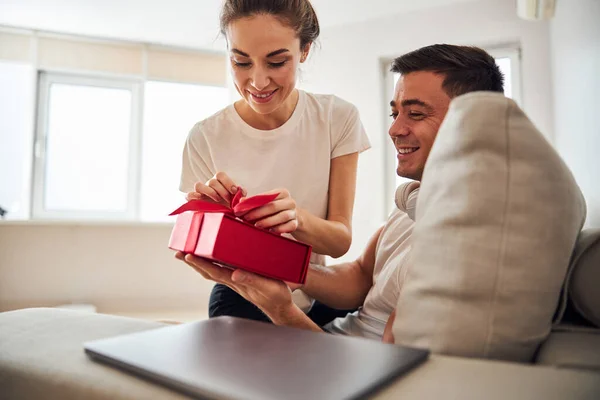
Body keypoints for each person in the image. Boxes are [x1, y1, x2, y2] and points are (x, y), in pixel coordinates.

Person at [178, 44, 504, 340]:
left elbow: (389, 365)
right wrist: (274, 264)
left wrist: (281, 310)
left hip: (339, 357)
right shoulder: (415, 204)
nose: (394, 129)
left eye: (415, 113)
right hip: (332, 330)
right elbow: (360, 277)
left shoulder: (461, 238)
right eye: (396, 113)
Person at [180, 0, 371, 323]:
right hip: (242, 296)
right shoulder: (205, 136)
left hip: (319, 290)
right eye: (241, 62)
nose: (257, 82)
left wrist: (295, 218)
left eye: (277, 62)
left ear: (305, 50)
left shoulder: (337, 118)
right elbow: (200, 249)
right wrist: (216, 228)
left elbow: (339, 242)